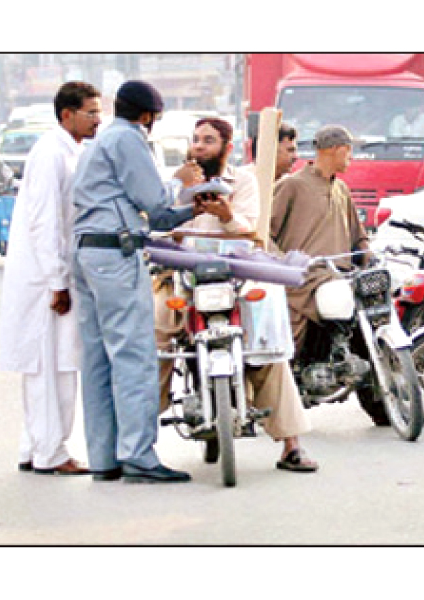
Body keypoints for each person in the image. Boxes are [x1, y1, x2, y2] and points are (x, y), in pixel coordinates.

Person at [154, 116, 317, 472]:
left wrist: (227, 217)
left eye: (208, 140)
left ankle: (291, 444)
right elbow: (158, 224)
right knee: (157, 343)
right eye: (196, 139)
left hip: (233, 278)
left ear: (226, 148)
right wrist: (180, 207)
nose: (198, 146)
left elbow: (250, 232)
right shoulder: (176, 182)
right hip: (181, 277)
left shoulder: (243, 181)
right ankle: (138, 441)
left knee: (267, 343)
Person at [72, 80, 206, 483]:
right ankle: (138, 457)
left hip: (88, 252)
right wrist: (183, 181)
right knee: (133, 356)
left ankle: (105, 458)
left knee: (98, 360)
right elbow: (157, 206)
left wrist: (190, 208)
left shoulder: (99, 142)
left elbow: (158, 215)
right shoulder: (128, 140)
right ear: (149, 116)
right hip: (116, 253)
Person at [0, 82, 102, 476]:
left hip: (51, 272)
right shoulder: (50, 153)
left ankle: (35, 446)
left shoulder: (70, 151)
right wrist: (57, 281)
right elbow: (45, 222)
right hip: (45, 278)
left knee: (50, 365)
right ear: (67, 115)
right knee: (51, 367)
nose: (97, 119)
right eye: (90, 112)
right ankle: (51, 454)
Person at [270, 124, 369, 355]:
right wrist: (286, 265)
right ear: (334, 149)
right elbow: (264, 234)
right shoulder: (292, 185)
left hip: (340, 276)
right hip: (304, 280)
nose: (351, 157)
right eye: (348, 150)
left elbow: (358, 236)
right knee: (289, 352)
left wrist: (369, 255)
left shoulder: (341, 188)